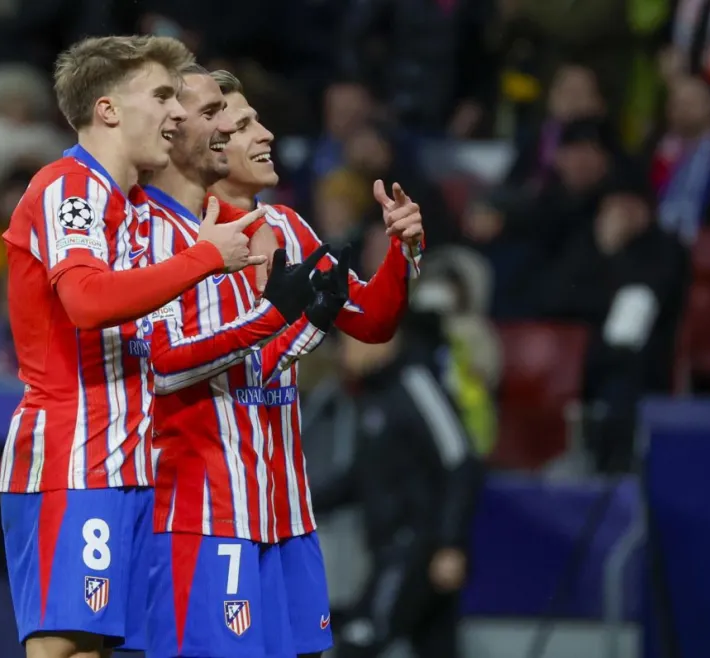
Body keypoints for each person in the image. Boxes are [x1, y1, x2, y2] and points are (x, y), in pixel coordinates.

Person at [0, 35, 270, 658]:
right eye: (162, 96)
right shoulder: (70, 188)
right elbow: (87, 302)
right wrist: (205, 259)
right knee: (62, 646)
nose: (176, 112)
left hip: (129, 463)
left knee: (97, 647)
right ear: (108, 110)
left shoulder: (134, 209)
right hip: (72, 455)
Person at [206, 69, 425, 658]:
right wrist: (303, 327)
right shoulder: (176, 238)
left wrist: (401, 251)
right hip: (210, 503)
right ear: (205, 141)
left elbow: (370, 321)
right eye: (245, 124)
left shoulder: (288, 227)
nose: (268, 133)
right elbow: (198, 362)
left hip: (287, 501)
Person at [142, 64, 339, 658]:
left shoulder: (271, 229)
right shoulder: (151, 229)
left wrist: (310, 322)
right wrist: (279, 318)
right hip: (198, 503)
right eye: (218, 117)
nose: (249, 134)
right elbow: (167, 363)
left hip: (278, 504)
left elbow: (253, 359)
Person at [311, 318, 482, 658]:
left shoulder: (415, 383)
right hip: (392, 549)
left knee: (362, 639)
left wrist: (451, 543)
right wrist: (297, 504)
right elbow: (361, 478)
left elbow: (461, 461)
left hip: (415, 550)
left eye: (347, 342)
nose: (341, 353)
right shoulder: (376, 395)